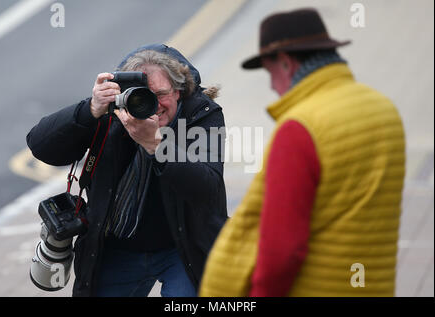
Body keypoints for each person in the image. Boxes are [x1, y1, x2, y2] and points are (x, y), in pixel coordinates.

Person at [200, 8, 405, 297]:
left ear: (285, 63)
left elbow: (282, 250)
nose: (272, 85)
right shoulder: (383, 109)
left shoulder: (300, 128)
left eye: (269, 72)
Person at [27, 44, 228, 297]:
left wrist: (156, 145)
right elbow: (41, 147)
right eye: (143, 96)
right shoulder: (112, 113)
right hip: (117, 246)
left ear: (179, 92)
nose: (153, 105)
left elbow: (207, 189)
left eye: (161, 94)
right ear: (124, 95)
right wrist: (90, 110)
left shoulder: (201, 114)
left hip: (184, 246)